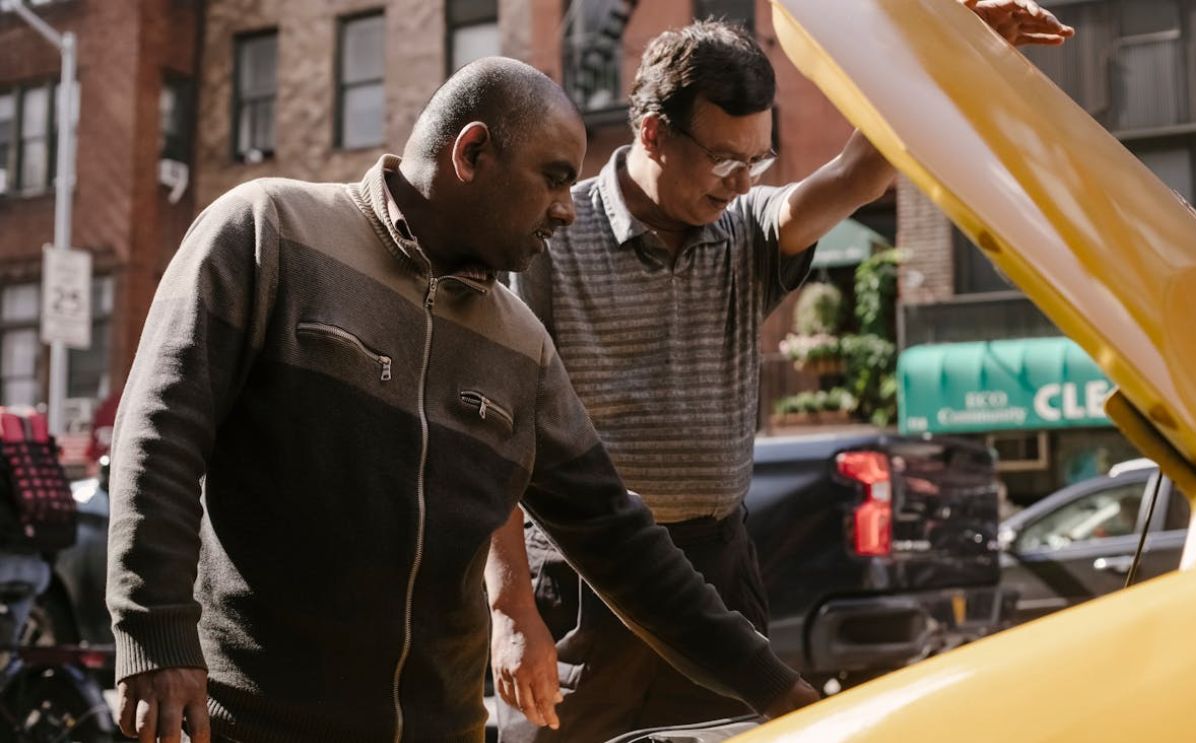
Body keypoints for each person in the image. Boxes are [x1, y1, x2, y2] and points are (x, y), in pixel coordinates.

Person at [104, 57, 817, 743]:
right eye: (553, 179)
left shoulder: (521, 345)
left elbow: (619, 539)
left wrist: (779, 691)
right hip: (252, 723)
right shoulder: (269, 232)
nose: (567, 211)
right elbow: (160, 435)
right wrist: (156, 636)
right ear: (472, 153)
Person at [489, 3, 1074, 741]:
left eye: (756, 159)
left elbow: (861, 170)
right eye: (724, 160)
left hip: (715, 573)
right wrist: (509, 606)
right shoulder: (553, 234)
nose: (741, 182)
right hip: (576, 577)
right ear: (652, 135)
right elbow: (497, 428)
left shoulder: (748, 230)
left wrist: (948, 48)